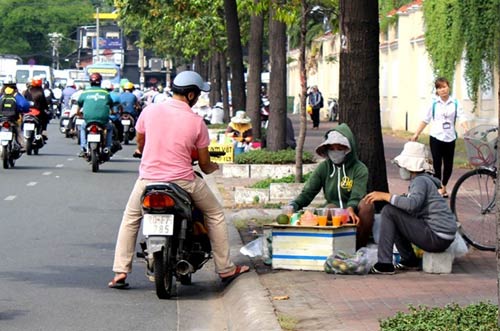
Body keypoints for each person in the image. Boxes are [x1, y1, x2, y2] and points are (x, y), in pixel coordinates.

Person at [108, 70, 249, 288]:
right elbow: (203, 163)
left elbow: (141, 139)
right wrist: (214, 167)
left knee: (130, 219)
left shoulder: (150, 111)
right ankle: (226, 269)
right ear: (191, 95)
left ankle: (120, 271)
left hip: (148, 180)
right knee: (215, 214)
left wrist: (143, 150)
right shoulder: (196, 122)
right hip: (183, 181)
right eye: (198, 94)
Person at [365, 141, 457, 275]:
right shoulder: (425, 180)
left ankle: (384, 263)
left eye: (403, 166)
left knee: (389, 211)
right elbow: (413, 205)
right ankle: (409, 260)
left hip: (437, 237)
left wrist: (385, 196)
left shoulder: (420, 181)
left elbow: (412, 204)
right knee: (395, 213)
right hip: (442, 236)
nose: (401, 169)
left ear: (411, 166)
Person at [288, 123, 374, 249]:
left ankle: (359, 246)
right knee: (329, 208)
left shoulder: (359, 169)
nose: (335, 152)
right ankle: (331, 248)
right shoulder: (324, 168)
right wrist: (294, 205)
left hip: (355, 211)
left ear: (348, 149)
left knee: (368, 205)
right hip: (334, 209)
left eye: (340, 148)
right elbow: (308, 192)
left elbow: (357, 193)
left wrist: (350, 208)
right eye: (332, 148)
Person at [410, 77, 468, 198]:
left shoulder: (456, 103)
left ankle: (444, 185)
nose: (442, 90)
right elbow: (425, 120)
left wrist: (467, 129)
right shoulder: (433, 103)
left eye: (444, 87)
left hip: (450, 137)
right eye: (439, 88)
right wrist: (416, 133)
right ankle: (439, 189)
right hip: (436, 137)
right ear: (437, 90)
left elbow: (462, 117)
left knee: (448, 165)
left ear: (449, 87)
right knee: (437, 163)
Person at [76, 72, 116, 157]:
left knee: (83, 127)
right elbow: (111, 104)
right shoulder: (105, 92)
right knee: (109, 128)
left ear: (90, 81)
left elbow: (79, 104)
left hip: (88, 119)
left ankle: (83, 148)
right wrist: (112, 111)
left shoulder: (85, 92)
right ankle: (107, 147)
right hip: (103, 120)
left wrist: (78, 113)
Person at [0, 76, 30, 151]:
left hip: (1, 119)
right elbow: (24, 105)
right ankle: (22, 145)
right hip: (14, 120)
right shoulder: (16, 95)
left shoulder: (1, 95)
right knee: (18, 131)